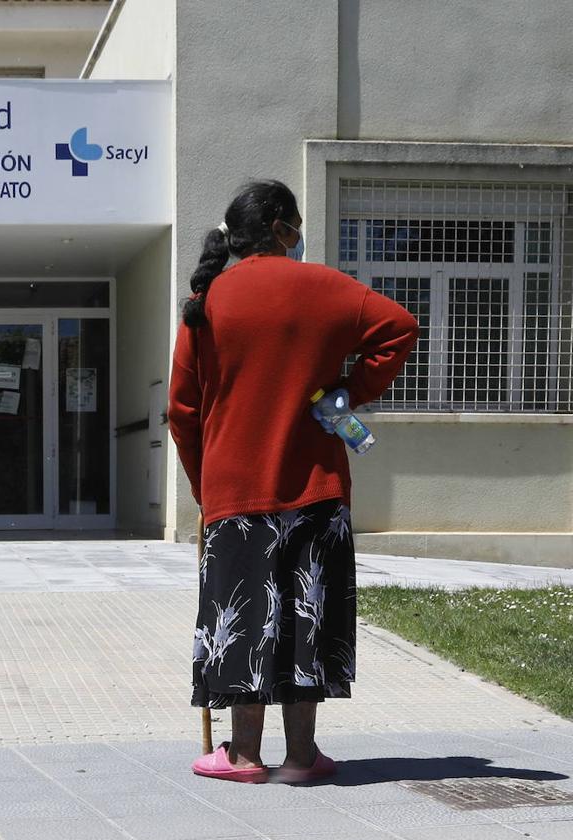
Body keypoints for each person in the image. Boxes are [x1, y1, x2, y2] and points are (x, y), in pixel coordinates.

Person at [167, 180, 418, 784]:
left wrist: (206, 488)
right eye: (297, 222)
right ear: (282, 228)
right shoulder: (329, 288)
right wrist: (342, 396)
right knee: (308, 614)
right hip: (317, 484)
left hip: (235, 490)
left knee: (244, 617)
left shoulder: (209, 301)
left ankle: (244, 756)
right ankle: (302, 758)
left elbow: (183, 410)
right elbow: (400, 328)